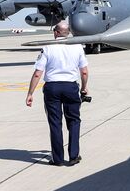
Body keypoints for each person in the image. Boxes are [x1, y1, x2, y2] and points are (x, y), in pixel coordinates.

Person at [26, 21, 89, 167]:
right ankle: (73, 155)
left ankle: (58, 159)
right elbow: (84, 71)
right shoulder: (77, 47)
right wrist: (84, 88)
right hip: (71, 87)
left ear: (56, 32)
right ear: (69, 33)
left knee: (55, 123)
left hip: (52, 88)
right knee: (74, 121)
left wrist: (30, 93)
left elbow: (37, 73)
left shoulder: (48, 47)